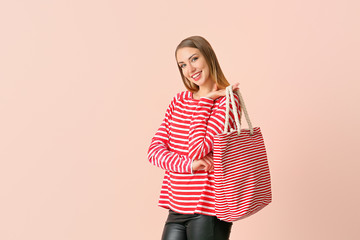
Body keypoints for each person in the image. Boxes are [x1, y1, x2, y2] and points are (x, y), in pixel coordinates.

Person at [147, 35, 241, 240]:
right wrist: (191, 165)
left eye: (194, 59)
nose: (190, 69)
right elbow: (154, 152)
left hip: (209, 209)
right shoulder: (179, 101)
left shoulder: (227, 102)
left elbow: (197, 148)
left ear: (208, 57)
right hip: (176, 207)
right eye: (182, 65)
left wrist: (206, 101)